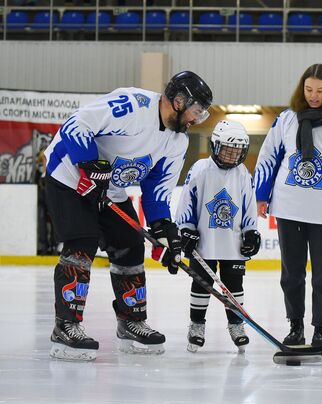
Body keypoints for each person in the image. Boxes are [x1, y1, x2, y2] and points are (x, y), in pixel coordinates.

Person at [44, 71, 214, 361]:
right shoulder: (132, 106)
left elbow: (156, 189)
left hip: (109, 188)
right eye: (196, 111)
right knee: (82, 243)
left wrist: (164, 230)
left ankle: (131, 321)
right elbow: (76, 124)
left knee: (130, 245)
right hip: (70, 176)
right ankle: (66, 325)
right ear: (178, 101)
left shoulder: (177, 142)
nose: (196, 119)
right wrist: (89, 163)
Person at [254, 63, 322, 347]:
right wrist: (261, 195)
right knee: (292, 273)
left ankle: (321, 329)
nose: (314, 96)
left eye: (320, 91)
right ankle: (296, 326)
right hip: (288, 208)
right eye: (309, 90)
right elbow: (268, 157)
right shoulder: (286, 119)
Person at [175, 120, 260, 354]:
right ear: (215, 146)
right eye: (227, 150)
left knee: (234, 285)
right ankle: (197, 325)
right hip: (204, 241)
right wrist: (186, 228)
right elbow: (186, 201)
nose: (233, 156)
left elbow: (249, 206)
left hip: (233, 243)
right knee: (201, 284)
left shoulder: (243, 174)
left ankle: (236, 325)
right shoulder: (201, 169)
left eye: (237, 152)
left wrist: (251, 231)